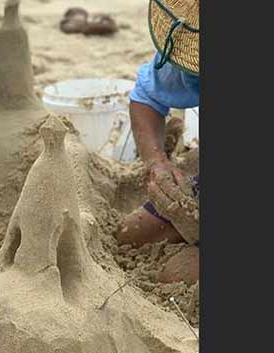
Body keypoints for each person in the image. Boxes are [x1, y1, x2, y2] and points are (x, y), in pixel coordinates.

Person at [115, 0, 199, 284]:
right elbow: (146, 98)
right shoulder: (192, 43)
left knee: (176, 275)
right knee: (128, 236)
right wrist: (156, 162)